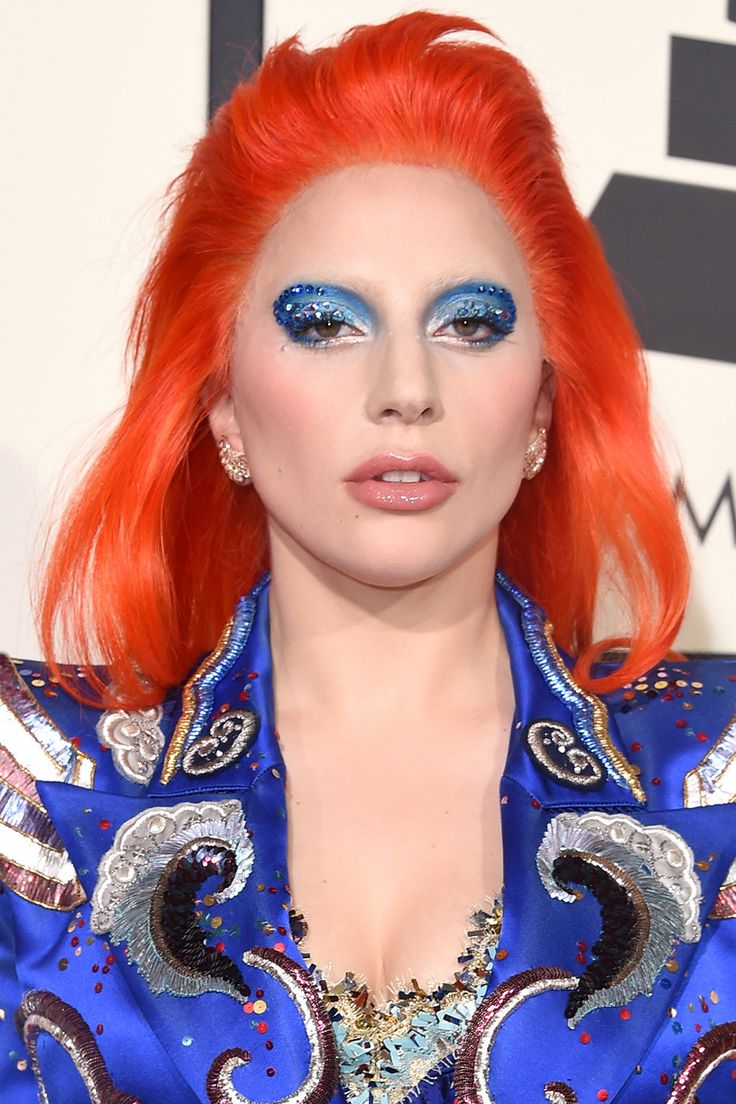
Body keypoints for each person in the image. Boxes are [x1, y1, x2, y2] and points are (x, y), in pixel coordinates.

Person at [1, 11, 734, 1103]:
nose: (406, 385)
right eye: (326, 323)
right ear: (223, 409)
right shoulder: (40, 782)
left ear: (541, 404)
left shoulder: (713, 774)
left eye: (471, 323)